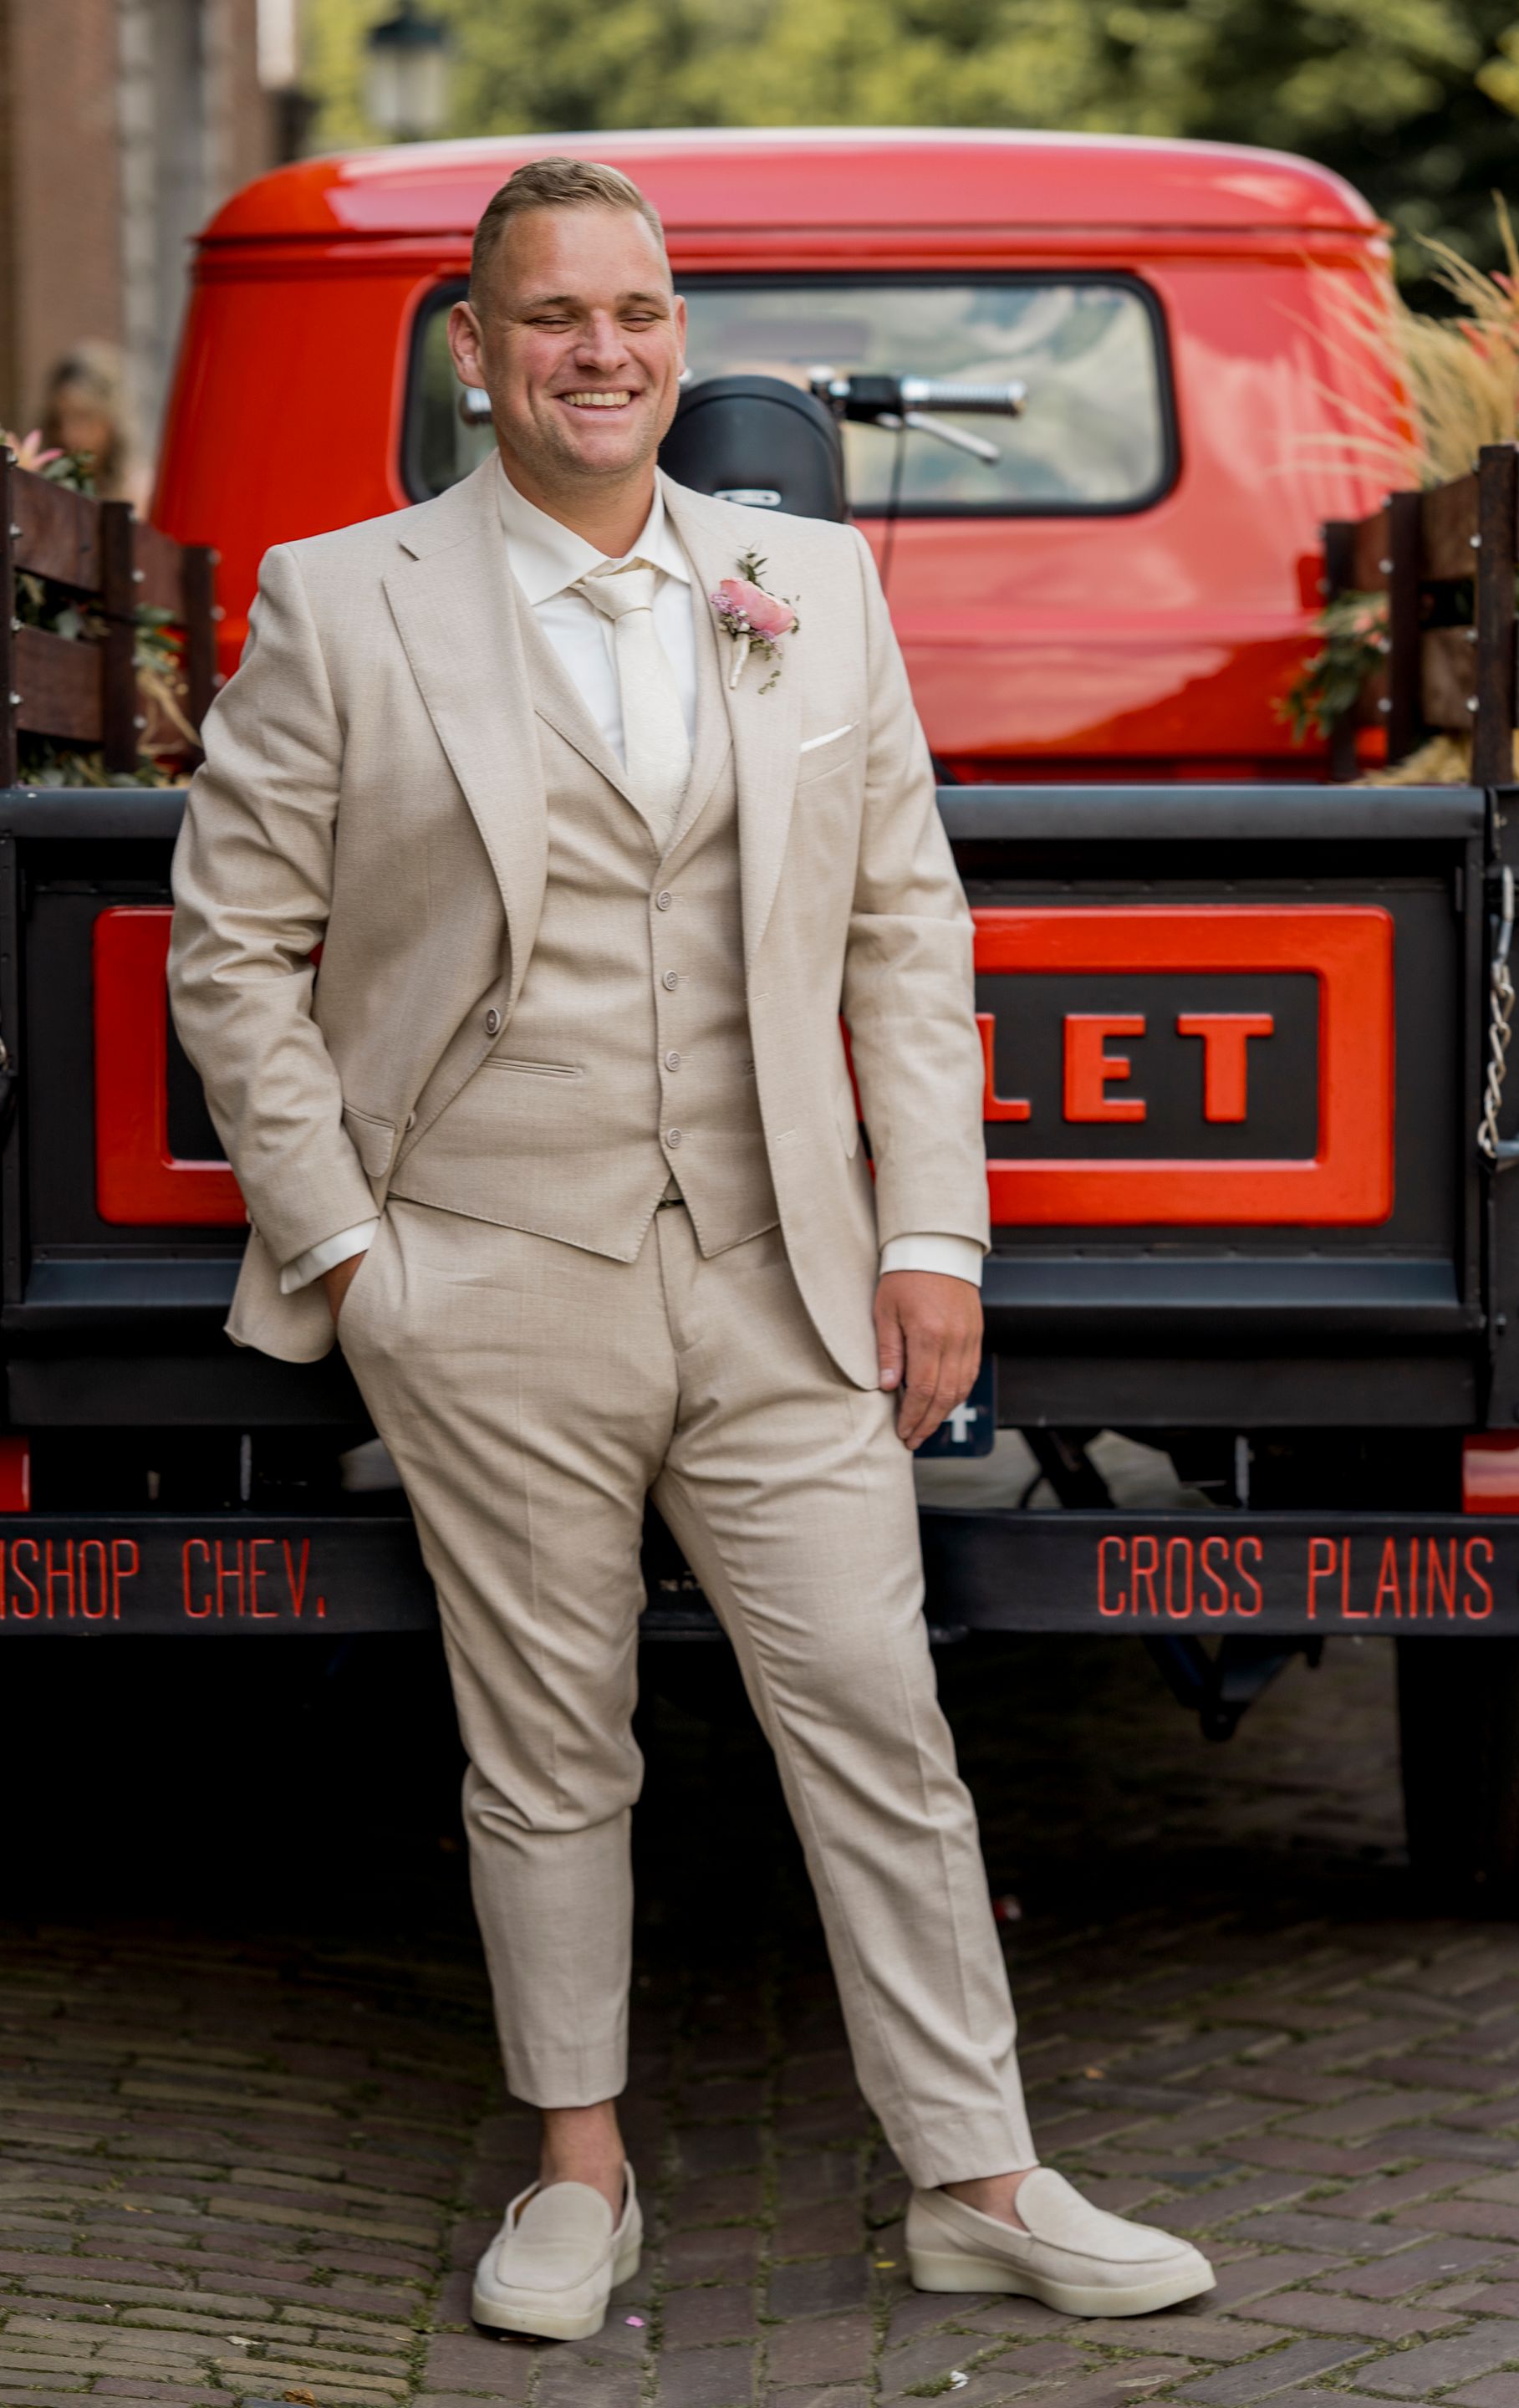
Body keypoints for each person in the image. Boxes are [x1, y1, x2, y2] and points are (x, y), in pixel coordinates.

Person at [167, 156, 1213, 2344]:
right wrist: (352, 1255)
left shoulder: (802, 579)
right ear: (477, 350)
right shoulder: (342, 600)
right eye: (553, 314)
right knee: (549, 1745)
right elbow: (234, 949)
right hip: (482, 1264)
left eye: (637, 311)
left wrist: (934, 1235)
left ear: (678, 337)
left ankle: (982, 2176)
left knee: (880, 1719)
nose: (602, 350)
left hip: (780, 1266)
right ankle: (579, 2173)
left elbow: (904, 924)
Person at [38, 342, 146, 509]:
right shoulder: (41, 491)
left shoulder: (141, 494)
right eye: (58, 420)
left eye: (82, 417)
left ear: (111, 418)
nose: (67, 435)